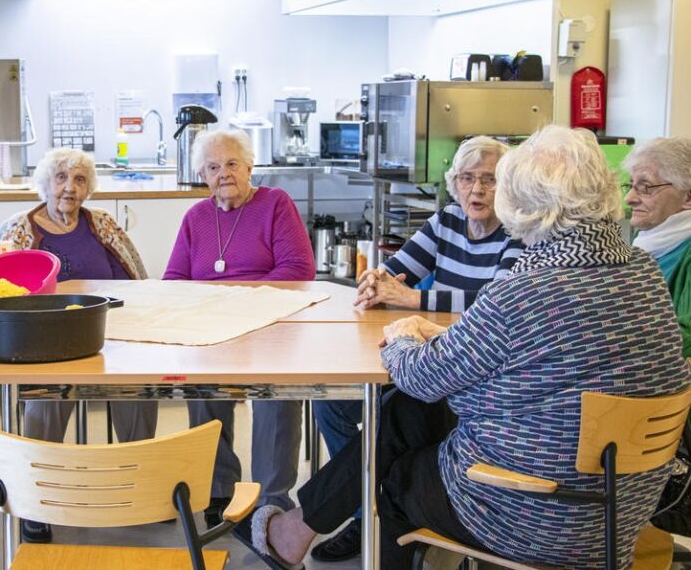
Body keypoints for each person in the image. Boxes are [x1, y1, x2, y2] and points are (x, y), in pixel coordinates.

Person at [233, 125, 691, 570]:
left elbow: (422, 377)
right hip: (620, 510)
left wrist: (402, 337)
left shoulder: (526, 289)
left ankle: (296, 532)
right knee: (405, 415)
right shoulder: (640, 269)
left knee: (390, 472)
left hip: (539, 514)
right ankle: (294, 532)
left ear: (525, 206)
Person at [309, 136, 523, 562]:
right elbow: (397, 270)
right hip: (426, 357)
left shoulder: (517, 233)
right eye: (466, 179)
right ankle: (360, 509)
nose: (476, 191)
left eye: (489, 180)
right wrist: (375, 281)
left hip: (468, 373)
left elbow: (497, 303)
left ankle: (366, 513)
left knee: (392, 413)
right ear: (454, 183)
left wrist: (417, 300)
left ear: (509, 187)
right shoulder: (446, 220)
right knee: (332, 405)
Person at [0, 147, 156, 543]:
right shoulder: (18, 230)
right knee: (45, 396)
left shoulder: (101, 224)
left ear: (89, 188)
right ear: (46, 183)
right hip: (44, 338)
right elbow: (3, 293)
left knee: (138, 389)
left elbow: (137, 278)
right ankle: (40, 499)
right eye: (61, 178)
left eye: (80, 180)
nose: (70, 188)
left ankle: (140, 489)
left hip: (108, 334)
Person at [163, 129, 315, 528]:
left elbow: (298, 270)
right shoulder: (196, 216)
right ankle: (219, 488)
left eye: (232, 164)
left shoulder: (274, 204)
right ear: (203, 175)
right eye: (213, 167)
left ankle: (271, 499)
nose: (224, 174)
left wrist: (235, 298)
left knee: (276, 396)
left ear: (250, 166)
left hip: (271, 322)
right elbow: (174, 279)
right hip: (213, 328)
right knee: (202, 388)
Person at [623, 137, 691, 357]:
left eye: (646, 187)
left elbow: (685, 341)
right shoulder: (646, 242)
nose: (629, 198)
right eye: (631, 185)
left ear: (688, 197)